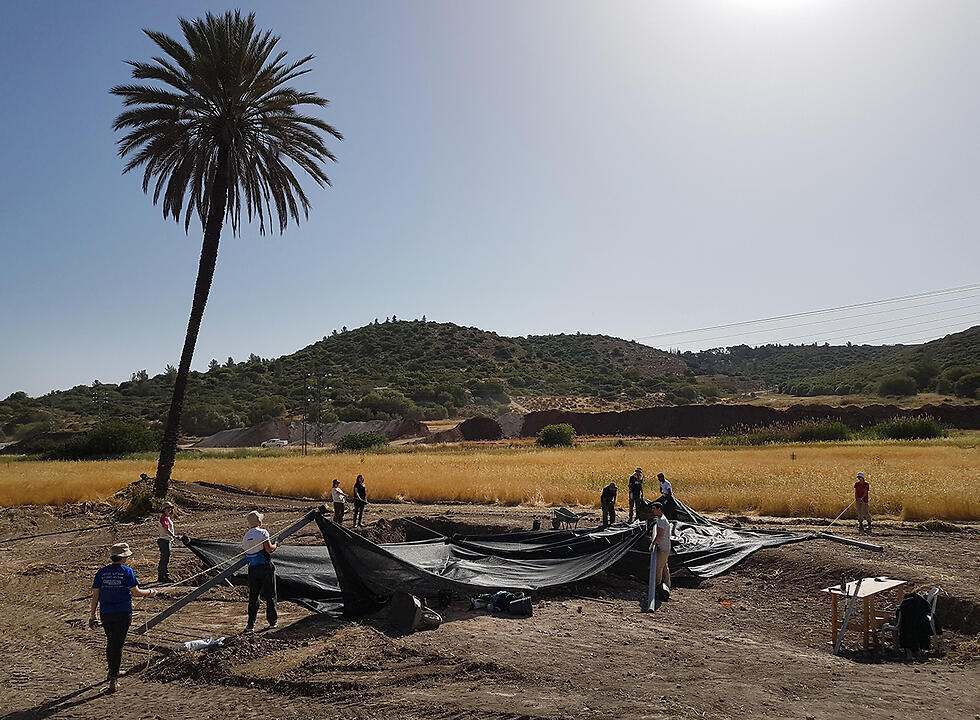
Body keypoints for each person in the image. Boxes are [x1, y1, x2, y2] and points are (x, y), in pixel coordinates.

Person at [90, 542, 158, 693]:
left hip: (106, 613)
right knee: (118, 645)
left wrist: (92, 614)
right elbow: (136, 592)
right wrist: (150, 592)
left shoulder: (101, 572)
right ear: (124, 557)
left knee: (110, 642)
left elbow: (96, 595)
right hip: (122, 612)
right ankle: (114, 678)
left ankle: (111, 670)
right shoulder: (127, 571)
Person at [242, 510, 278, 632]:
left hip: (252, 569)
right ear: (258, 521)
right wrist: (276, 544)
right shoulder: (263, 533)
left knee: (253, 597)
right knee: (270, 595)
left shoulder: (245, 537)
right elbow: (269, 549)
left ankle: (250, 625)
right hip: (265, 567)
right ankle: (272, 622)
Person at [650, 501, 671, 593]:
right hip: (665, 547)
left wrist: (653, 544)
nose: (652, 510)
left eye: (654, 509)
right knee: (664, 566)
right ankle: (667, 585)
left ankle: (656, 587)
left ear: (659, 509)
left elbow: (659, 535)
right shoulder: (660, 518)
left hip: (663, 548)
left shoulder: (662, 521)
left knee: (658, 568)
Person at [157, 501, 176, 583]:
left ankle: (162, 576)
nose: (170, 510)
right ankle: (164, 576)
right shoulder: (164, 518)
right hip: (164, 540)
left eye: (171, 508)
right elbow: (166, 529)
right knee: (165, 559)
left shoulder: (167, 518)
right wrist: (173, 536)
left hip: (167, 540)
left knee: (165, 558)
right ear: (164, 509)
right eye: (168, 508)